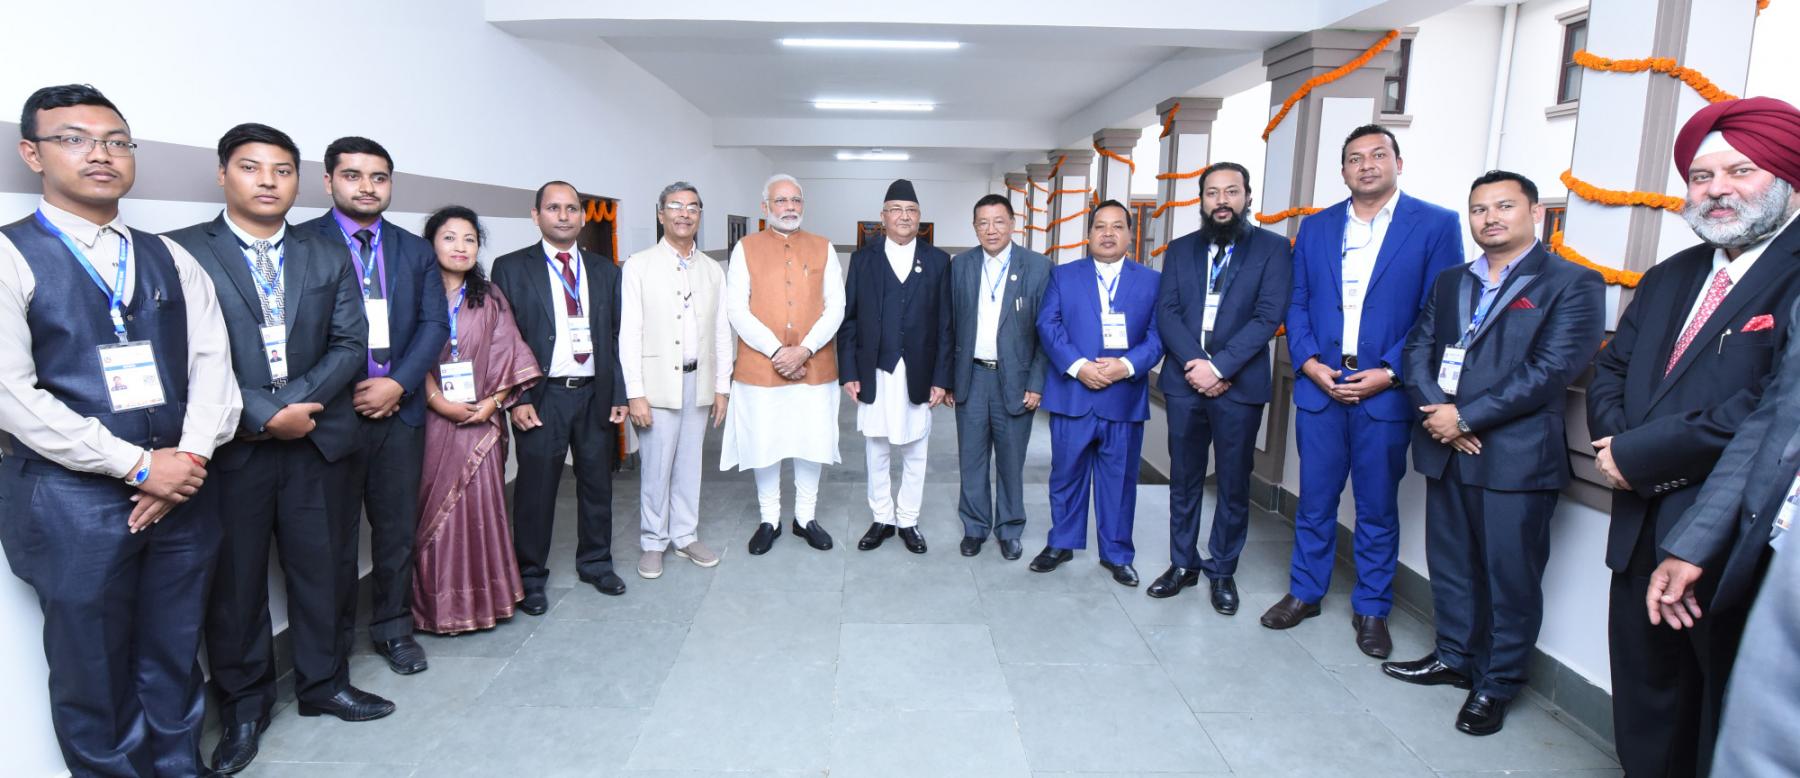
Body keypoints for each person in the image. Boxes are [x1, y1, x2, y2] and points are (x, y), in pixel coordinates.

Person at [0, 83, 240, 778]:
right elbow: (13, 395)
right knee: (90, 667)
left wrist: (187, 459)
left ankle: (178, 766)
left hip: (184, 486)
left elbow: (212, 367)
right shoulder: (12, 256)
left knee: (172, 649)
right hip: (69, 499)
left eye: (114, 141)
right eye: (74, 139)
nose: (99, 154)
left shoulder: (170, 257)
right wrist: (139, 467)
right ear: (32, 154)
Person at [1585, 96, 1800, 778]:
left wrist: (1639, 456)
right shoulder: (1670, 275)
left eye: (1741, 171)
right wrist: (1617, 449)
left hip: (1730, 535)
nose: (1718, 190)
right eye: (1702, 177)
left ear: (1789, 176)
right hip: (1640, 521)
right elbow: (1612, 369)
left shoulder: (1792, 276)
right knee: (1645, 701)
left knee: (1721, 711)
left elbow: (1772, 409)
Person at [167, 123, 391, 775]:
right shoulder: (182, 252)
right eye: (252, 167)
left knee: (323, 571)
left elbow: (350, 344)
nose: (268, 181)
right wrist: (264, 414)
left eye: (282, 170)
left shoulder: (326, 253)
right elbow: (180, 354)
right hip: (230, 449)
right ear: (222, 174)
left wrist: (298, 404)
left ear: (300, 180)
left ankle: (325, 684)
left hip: (318, 442)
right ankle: (242, 709)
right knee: (233, 588)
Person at [1385, 170, 1603, 736]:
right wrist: (1438, 413)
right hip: (1447, 447)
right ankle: (1454, 658)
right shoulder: (1451, 280)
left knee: (1511, 576)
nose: (1491, 218)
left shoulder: (1573, 282)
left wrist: (1467, 417)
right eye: (1479, 209)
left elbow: (1552, 369)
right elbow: (1419, 348)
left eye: (1505, 206)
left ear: (1535, 212)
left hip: (1515, 457)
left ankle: (1498, 683)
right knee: (1452, 564)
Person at [1264, 125, 1463, 659]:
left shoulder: (1436, 225)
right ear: (1343, 170)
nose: (1367, 165)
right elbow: (1298, 301)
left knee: (1376, 507)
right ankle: (1305, 592)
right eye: (1355, 158)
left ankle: (1372, 608)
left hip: (1384, 392)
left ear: (1399, 161)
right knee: (1315, 500)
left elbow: (1437, 310)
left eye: (1378, 155)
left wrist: (1392, 372)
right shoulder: (1317, 227)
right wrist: (1307, 363)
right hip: (1321, 387)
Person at [298, 136, 448, 676]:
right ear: (329, 181)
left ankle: (393, 628)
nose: (367, 187)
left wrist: (398, 385)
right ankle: (331, 647)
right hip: (328, 419)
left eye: (378, 178)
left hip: (398, 415)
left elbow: (435, 325)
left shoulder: (413, 250)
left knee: (395, 531)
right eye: (354, 176)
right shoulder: (301, 243)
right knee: (330, 542)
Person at [1149, 161, 1292, 613]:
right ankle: (1182, 563)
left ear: (1248, 196)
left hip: (1240, 384)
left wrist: (1221, 367)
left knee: (1232, 482)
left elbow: (1268, 316)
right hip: (1185, 381)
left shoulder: (1272, 249)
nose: (1222, 201)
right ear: (1202, 200)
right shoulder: (1181, 248)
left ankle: (1223, 569)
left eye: (1231, 192)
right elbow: (1167, 312)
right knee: (1184, 478)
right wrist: (1196, 363)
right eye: (1212, 193)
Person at [490, 181, 630, 612]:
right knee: (536, 490)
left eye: (572, 208)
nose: (564, 215)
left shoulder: (605, 269)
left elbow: (614, 336)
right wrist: (518, 398)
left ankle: (596, 561)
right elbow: (503, 339)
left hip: (594, 393)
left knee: (597, 483)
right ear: (536, 216)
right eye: (554, 208)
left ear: (583, 217)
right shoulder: (511, 268)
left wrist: (618, 392)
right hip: (542, 394)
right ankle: (530, 575)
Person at [412, 206, 542, 633]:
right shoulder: (414, 294)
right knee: (435, 513)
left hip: (483, 421)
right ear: (431, 242)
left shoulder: (489, 297)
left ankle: (489, 600)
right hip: (433, 423)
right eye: (450, 238)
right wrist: (437, 402)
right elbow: (403, 356)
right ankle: (438, 610)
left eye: (469, 239)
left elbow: (512, 352)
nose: (461, 247)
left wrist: (495, 402)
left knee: (484, 511)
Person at [1030, 200, 1162, 586]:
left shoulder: (1151, 281)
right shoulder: (1064, 276)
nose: (1108, 233)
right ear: (1088, 234)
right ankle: (1062, 542)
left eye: (1117, 226)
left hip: (1123, 397)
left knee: (1119, 481)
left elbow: (1158, 335)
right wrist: (1079, 366)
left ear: (1130, 235)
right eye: (1100, 226)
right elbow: (1048, 324)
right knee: (1065, 474)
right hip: (1074, 393)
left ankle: (1117, 553)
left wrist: (1125, 366)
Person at [720, 174, 845, 555]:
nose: (789, 207)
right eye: (780, 201)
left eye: (795, 200)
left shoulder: (824, 247)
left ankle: (805, 518)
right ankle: (769, 519)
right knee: (765, 442)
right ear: (765, 208)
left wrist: (804, 349)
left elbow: (836, 306)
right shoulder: (746, 247)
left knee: (811, 442)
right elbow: (736, 309)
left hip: (816, 365)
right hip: (761, 369)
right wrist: (778, 351)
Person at [621, 182, 729, 578]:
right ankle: (653, 540)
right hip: (656, 386)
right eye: (675, 207)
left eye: (692, 207)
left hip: (698, 382)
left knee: (690, 464)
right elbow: (629, 333)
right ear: (660, 214)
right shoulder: (640, 264)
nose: (684, 214)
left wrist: (722, 386)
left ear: (700, 215)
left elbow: (721, 331)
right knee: (656, 466)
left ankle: (685, 535)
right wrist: (636, 393)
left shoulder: (712, 269)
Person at [842, 179, 953, 554]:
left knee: (916, 448)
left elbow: (945, 325)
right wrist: (849, 372)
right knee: (876, 447)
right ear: (883, 217)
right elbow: (850, 320)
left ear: (919, 218)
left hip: (918, 370)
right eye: (897, 210)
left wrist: (942, 378)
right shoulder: (863, 260)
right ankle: (882, 518)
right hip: (875, 368)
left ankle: (908, 519)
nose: (904, 216)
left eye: (911, 211)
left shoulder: (938, 262)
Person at [948, 194, 1050, 560]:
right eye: (983, 223)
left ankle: (1009, 528)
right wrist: (946, 379)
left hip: (1016, 382)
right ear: (974, 226)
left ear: (1013, 223)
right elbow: (949, 327)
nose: (991, 230)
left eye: (998, 221)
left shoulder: (1038, 267)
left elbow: (1046, 334)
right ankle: (975, 527)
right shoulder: (960, 266)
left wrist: (1037, 383)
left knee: (1010, 460)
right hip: (971, 378)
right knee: (972, 459)